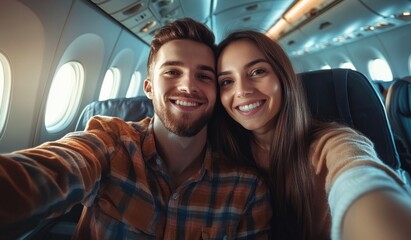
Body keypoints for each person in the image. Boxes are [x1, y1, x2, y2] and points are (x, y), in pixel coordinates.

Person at [0, 19, 271, 239]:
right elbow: (54, 169)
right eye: (172, 72)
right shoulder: (109, 145)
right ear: (149, 88)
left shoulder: (245, 187)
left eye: (204, 76)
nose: (189, 86)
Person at [213, 30, 411, 240]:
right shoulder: (221, 156)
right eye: (227, 81)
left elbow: (360, 177)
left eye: (257, 72)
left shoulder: (331, 143)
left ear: (283, 77)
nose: (242, 90)